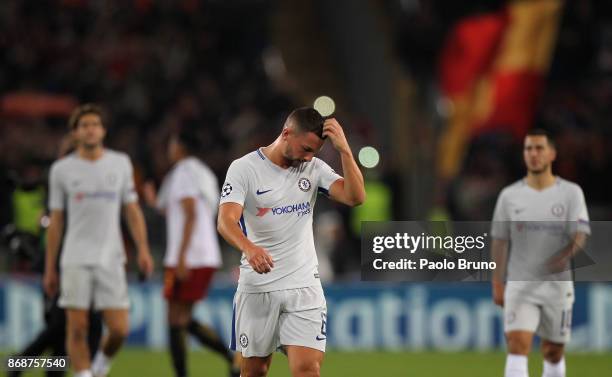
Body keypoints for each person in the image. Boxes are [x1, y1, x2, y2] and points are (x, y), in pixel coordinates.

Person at [217, 107, 366, 377]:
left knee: (307, 369)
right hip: (259, 288)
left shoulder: (313, 168)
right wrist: (249, 248)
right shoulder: (244, 168)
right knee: (254, 371)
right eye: (306, 148)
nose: (308, 157)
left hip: (304, 287)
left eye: (314, 152)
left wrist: (345, 150)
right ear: (286, 133)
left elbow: (355, 197)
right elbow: (225, 220)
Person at [43, 104, 154, 377]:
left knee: (119, 329)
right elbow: (56, 221)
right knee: (77, 327)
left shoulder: (120, 163)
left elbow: (132, 210)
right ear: (75, 133)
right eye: (84, 125)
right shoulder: (62, 170)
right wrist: (50, 267)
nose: (90, 129)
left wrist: (143, 249)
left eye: (95, 124)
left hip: (111, 258)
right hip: (75, 258)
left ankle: (100, 367)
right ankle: (83, 374)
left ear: (103, 131)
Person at [491, 129, 590, 377]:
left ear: (552, 154)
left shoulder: (570, 193)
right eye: (528, 149)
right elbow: (500, 241)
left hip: (557, 286)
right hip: (520, 284)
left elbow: (581, 234)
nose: (533, 154)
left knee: (553, 351)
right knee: (517, 344)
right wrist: (496, 281)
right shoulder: (509, 196)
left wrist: (565, 256)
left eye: (539, 148)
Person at [8, 135, 103, 377]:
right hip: (61, 268)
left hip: (70, 267)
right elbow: (55, 230)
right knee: (59, 327)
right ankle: (17, 364)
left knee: (61, 334)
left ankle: (40, 371)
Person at [149, 128, 240, 377]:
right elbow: (181, 211)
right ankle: (232, 360)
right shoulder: (203, 173)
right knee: (181, 319)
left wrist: (180, 256)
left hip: (188, 256)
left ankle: (190, 371)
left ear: (179, 147)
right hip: (205, 254)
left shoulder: (182, 173)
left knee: (175, 318)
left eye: (172, 144)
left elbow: (188, 213)